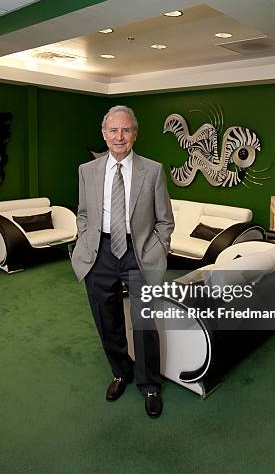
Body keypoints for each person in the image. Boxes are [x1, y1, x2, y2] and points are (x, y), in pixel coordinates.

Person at [71, 105, 174, 418]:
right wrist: (85, 239)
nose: (119, 136)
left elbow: (165, 220)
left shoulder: (153, 170)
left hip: (137, 252)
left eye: (125, 130)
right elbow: (84, 213)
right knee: (107, 318)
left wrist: (157, 249)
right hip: (99, 252)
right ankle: (121, 372)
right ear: (104, 134)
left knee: (143, 322)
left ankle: (150, 384)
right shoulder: (86, 171)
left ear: (135, 134)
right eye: (113, 130)